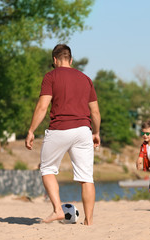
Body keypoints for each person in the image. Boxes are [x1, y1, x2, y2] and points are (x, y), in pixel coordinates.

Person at [25, 44, 101, 225]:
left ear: (54, 60)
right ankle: (89, 222)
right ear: (71, 60)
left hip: (59, 129)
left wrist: (31, 131)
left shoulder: (51, 76)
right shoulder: (86, 79)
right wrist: (96, 132)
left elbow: (43, 106)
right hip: (83, 130)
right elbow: (95, 112)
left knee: (47, 169)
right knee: (86, 178)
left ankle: (58, 210)